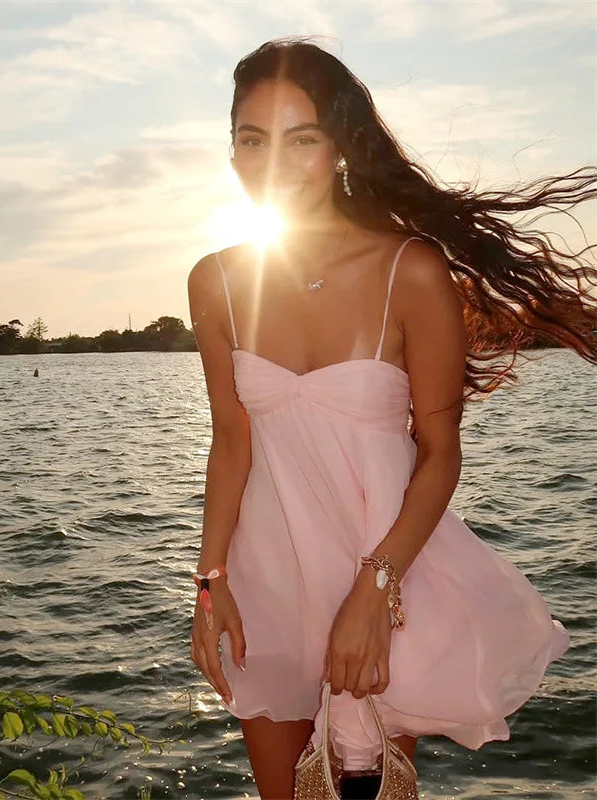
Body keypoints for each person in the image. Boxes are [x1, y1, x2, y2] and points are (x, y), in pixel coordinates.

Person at [186, 38, 595, 799]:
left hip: (381, 579)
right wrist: (210, 582)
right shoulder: (214, 281)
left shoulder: (410, 269)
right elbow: (231, 439)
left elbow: (439, 453)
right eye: (252, 139)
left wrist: (375, 590)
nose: (273, 162)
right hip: (266, 581)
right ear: (232, 148)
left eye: (301, 139)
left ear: (339, 146)